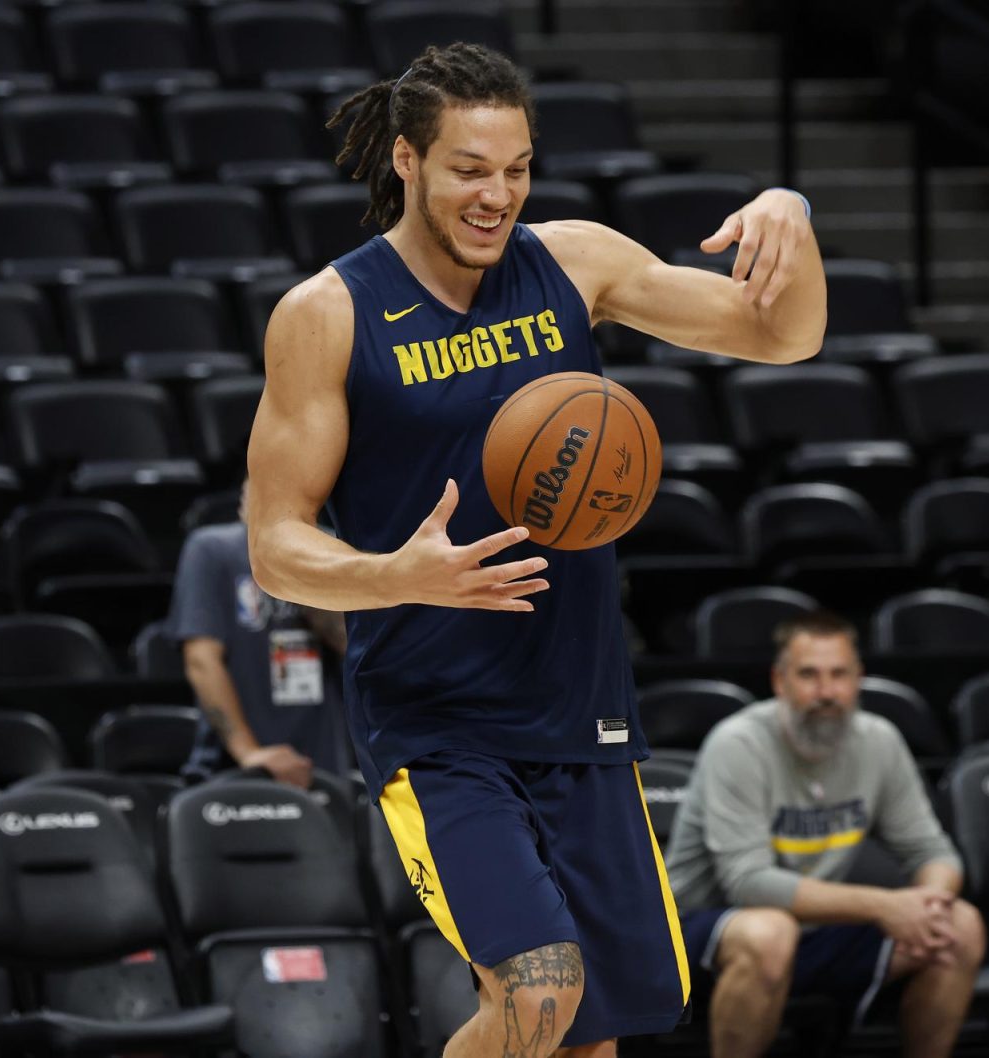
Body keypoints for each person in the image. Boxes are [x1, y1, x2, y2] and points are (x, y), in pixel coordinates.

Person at [243, 41, 826, 1058]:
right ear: (406, 159)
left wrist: (793, 214)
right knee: (541, 990)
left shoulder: (572, 261)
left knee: (589, 1036)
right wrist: (394, 576)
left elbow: (782, 339)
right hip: (436, 721)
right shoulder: (328, 314)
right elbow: (275, 545)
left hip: (579, 702)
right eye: (470, 169)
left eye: (515, 171)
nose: (497, 195)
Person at [666, 611, 985, 1058]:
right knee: (769, 931)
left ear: (858, 679)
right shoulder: (738, 743)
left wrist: (927, 905)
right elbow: (748, 882)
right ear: (780, 681)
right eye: (809, 675)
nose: (826, 692)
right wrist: (885, 905)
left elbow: (933, 851)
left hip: (813, 929)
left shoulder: (879, 741)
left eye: (839, 675)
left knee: (960, 926)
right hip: (703, 925)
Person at [168, 486, 350, 787]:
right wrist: (250, 753)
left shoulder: (332, 551)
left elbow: (352, 644)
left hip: (324, 764)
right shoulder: (212, 549)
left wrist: (297, 563)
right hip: (234, 768)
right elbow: (201, 660)